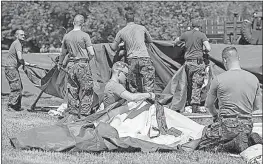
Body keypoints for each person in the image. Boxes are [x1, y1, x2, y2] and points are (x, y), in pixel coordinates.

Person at [197, 46, 262, 153]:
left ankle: (233, 144)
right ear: (238, 59)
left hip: (226, 127)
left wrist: (215, 116)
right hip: (247, 127)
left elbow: (208, 105)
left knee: (204, 144)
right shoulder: (254, 79)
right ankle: (249, 140)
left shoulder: (218, 79)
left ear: (224, 60)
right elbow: (257, 107)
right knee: (242, 135)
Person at [58, 14, 95, 119]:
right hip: (83, 64)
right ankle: (84, 115)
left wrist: (60, 64)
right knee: (86, 89)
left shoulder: (67, 36)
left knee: (72, 90)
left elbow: (62, 53)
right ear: (82, 23)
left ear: (73, 22)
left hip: (71, 65)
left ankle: (72, 115)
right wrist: (86, 61)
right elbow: (91, 53)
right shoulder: (85, 36)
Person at [110, 8, 155, 93]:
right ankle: (150, 103)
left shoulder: (121, 32)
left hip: (131, 59)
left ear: (125, 19)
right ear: (134, 19)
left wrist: (122, 44)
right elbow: (150, 41)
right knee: (148, 84)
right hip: (144, 57)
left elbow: (113, 47)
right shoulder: (142, 28)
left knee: (134, 87)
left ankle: (136, 103)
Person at [173, 19, 211, 113]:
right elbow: (208, 48)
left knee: (188, 84)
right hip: (198, 64)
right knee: (196, 86)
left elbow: (176, 41)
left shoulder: (186, 34)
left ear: (192, 25)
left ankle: (187, 105)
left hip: (188, 64)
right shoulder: (202, 35)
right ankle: (194, 109)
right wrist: (203, 51)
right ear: (200, 26)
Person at [4, 30, 35, 111]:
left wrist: (29, 64)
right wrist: (25, 63)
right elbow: (20, 58)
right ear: (16, 36)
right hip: (11, 68)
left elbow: (19, 59)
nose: (24, 36)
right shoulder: (17, 43)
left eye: (24, 35)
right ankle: (11, 106)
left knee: (19, 87)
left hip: (11, 68)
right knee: (16, 88)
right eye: (21, 35)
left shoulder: (17, 43)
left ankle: (16, 107)